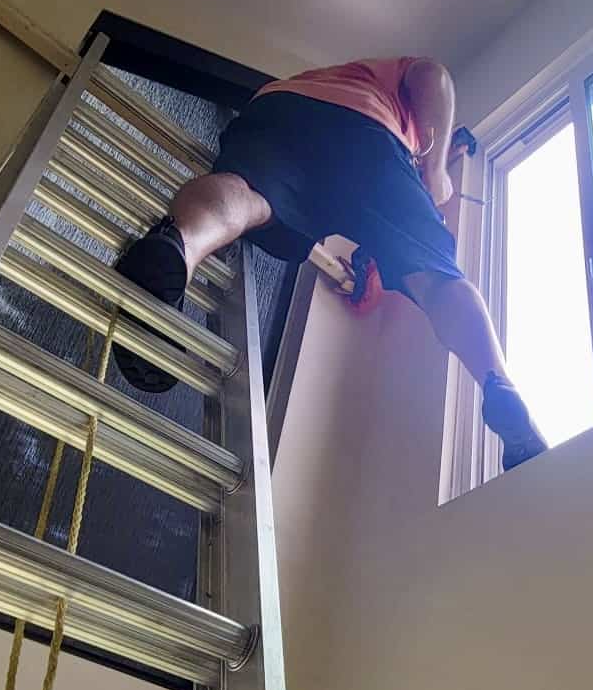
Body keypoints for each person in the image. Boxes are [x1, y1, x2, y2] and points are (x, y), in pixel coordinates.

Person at [111, 56, 549, 470]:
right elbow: (434, 75)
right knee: (436, 278)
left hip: (278, 108)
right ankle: (498, 379)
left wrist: (373, 264)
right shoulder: (399, 108)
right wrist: (435, 173)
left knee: (251, 197)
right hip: (368, 129)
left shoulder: (345, 77)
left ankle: (179, 244)